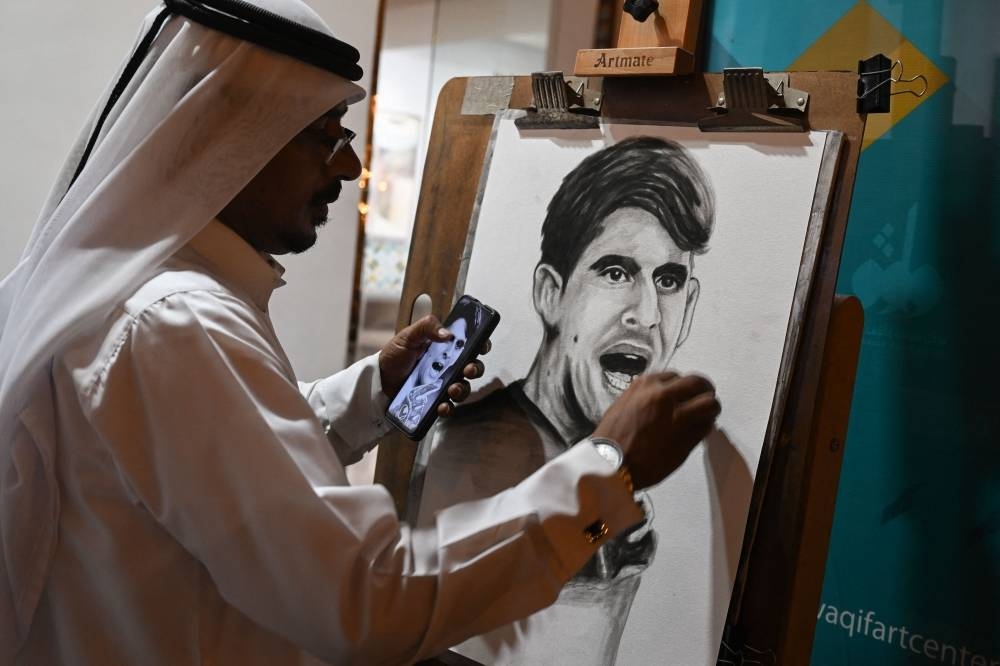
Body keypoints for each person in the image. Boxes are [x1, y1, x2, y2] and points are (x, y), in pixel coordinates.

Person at [0, 2, 721, 665]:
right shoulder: (179, 321)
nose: (349, 166)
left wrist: (374, 390)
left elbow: (209, 468)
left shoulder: (143, 293)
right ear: (230, 135)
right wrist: (608, 470)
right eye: (324, 136)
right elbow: (368, 604)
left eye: (667, 279)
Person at [410, 137, 716, 664]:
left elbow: (578, 549)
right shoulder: (475, 453)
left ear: (688, 307)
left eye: (668, 281)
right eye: (616, 272)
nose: (645, 314)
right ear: (551, 293)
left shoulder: (602, 470)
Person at [388, 298, 485, 431]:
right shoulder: (400, 376)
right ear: (433, 337)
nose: (449, 353)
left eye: (458, 345)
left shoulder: (428, 402)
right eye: (448, 339)